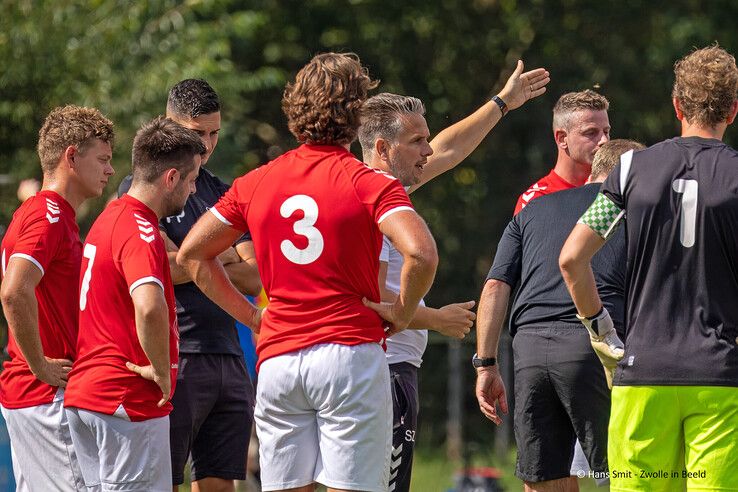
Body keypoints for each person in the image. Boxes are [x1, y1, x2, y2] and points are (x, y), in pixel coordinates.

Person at [177, 52, 438, 492]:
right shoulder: (369, 182)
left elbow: (192, 255)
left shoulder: (256, 181)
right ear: (356, 116)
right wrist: (401, 311)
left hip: (279, 361)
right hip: (348, 356)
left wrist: (251, 316)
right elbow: (423, 254)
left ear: (294, 109)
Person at [357, 59, 549, 492]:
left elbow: (448, 149)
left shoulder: (382, 190)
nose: (427, 150)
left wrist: (502, 102)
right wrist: (433, 318)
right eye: (416, 140)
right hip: (382, 366)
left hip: (388, 366)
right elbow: (362, 302)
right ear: (383, 148)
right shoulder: (367, 198)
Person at [559, 45, 738, 491]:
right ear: (733, 110)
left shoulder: (631, 168)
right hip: (720, 378)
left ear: (676, 105)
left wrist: (600, 330)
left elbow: (571, 258)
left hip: (644, 373)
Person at [118, 79, 261, 492]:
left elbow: (254, 276)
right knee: (162, 480)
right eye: (198, 133)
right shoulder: (141, 188)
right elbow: (158, 265)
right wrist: (220, 256)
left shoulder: (223, 191)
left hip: (230, 354)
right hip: (177, 354)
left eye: (215, 132)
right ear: (168, 124)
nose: (208, 143)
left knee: (221, 483)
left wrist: (192, 255)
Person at [477, 139, 645, 492]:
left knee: (544, 477)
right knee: (627, 472)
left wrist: (486, 364)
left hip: (530, 350)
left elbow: (495, 286)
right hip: (595, 344)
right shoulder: (625, 210)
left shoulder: (532, 210)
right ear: (629, 176)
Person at [63, 117, 204, 492]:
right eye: (191, 181)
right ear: (170, 178)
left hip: (89, 396)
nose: (193, 191)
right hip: (125, 398)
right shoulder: (141, 228)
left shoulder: (109, 216)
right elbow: (149, 306)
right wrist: (162, 370)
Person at [0, 105, 114, 491]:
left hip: (34, 397)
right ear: (71, 156)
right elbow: (14, 290)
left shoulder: (45, 212)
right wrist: (39, 365)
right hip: (45, 396)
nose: (109, 171)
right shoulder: (48, 215)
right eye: (102, 159)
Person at [514, 90, 610, 214]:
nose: (604, 140)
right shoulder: (536, 200)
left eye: (606, 132)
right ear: (562, 138)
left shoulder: (616, 189)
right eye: (591, 132)